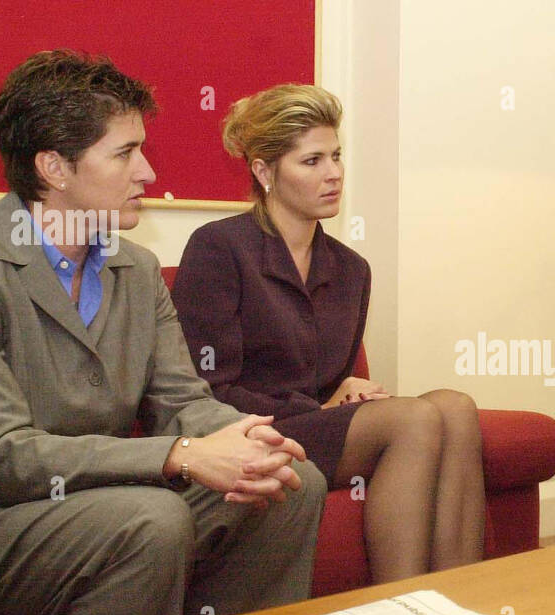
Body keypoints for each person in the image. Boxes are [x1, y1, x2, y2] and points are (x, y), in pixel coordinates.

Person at [0, 50, 327, 615]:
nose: (148, 173)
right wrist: (181, 455)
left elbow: (182, 400)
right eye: (125, 152)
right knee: (150, 522)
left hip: (99, 498)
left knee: (292, 483)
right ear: (54, 167)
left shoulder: (136, 268)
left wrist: (247, 439)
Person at [172, 84, 484, 583]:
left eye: (336, 156)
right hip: (245, 430)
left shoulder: (351, 268)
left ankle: (459, 603)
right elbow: (206, 387)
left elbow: (327, 380)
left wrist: (343, 391)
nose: (334, 173)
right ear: (264, 171)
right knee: (415, 418)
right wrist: (316, 408)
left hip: (310, 423)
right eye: (312, 161)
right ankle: (401, 610)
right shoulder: (219, 248)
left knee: (456, 406)